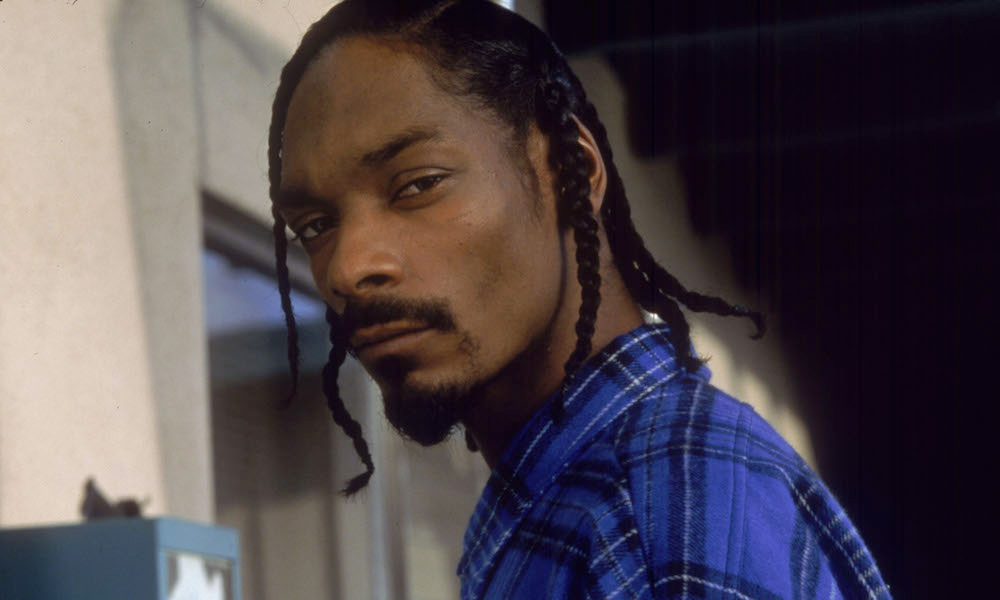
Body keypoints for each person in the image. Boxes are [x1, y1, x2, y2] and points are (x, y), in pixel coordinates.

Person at [267, 1, 890, 598]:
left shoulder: (656, 509)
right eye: (315, 226)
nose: (347, 268)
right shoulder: (575, 493)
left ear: (573, 173)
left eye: (417, 185)